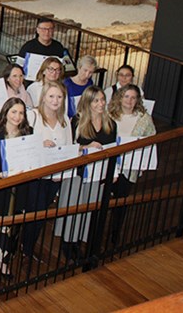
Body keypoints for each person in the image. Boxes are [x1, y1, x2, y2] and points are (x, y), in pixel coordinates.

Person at [55, 86, 117, 263]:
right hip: (79, 174)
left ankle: (79, 241)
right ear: (87, 102)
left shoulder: (111, 123)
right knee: (73, 208)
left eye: (102, 100)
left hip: (98, 173)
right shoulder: (77, 121)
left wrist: (114, 171)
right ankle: (68, 243)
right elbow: (69, 147)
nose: (100, 104)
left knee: (89, 208)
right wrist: (85, 147)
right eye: (96, 100)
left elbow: (115, 148)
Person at [0, 98, 32, 278]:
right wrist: (0, 175)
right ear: (5, 112)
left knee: (12, 226)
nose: (17, 116)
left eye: (21, 113)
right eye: (13, 112)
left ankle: (3, 258)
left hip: (19, 188)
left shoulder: (28, 134)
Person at [22, 81, 71, 260]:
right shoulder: (32, 116)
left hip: (55, 176)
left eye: (59, 97)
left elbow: (69, 147)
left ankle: (27, 245)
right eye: (51, 96)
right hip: (35, 175)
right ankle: (25, 248)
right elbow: (21, 143)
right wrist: (39, 144)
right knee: (35, 212)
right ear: (43, 97)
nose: (55, 100)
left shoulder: (65, 120)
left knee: (41, 214)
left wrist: (63, 173)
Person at [107, 84, 157, 243]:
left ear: (138, 100)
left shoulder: (144, 118)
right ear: (120, 97)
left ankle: (115, 233)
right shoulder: (109, 114)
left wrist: (143, 162)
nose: (129, 101)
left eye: (133, 97)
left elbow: (151, 139)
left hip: (129, 167)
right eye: (126, 96)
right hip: (108, 165)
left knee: (121, 201)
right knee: (102, 199)